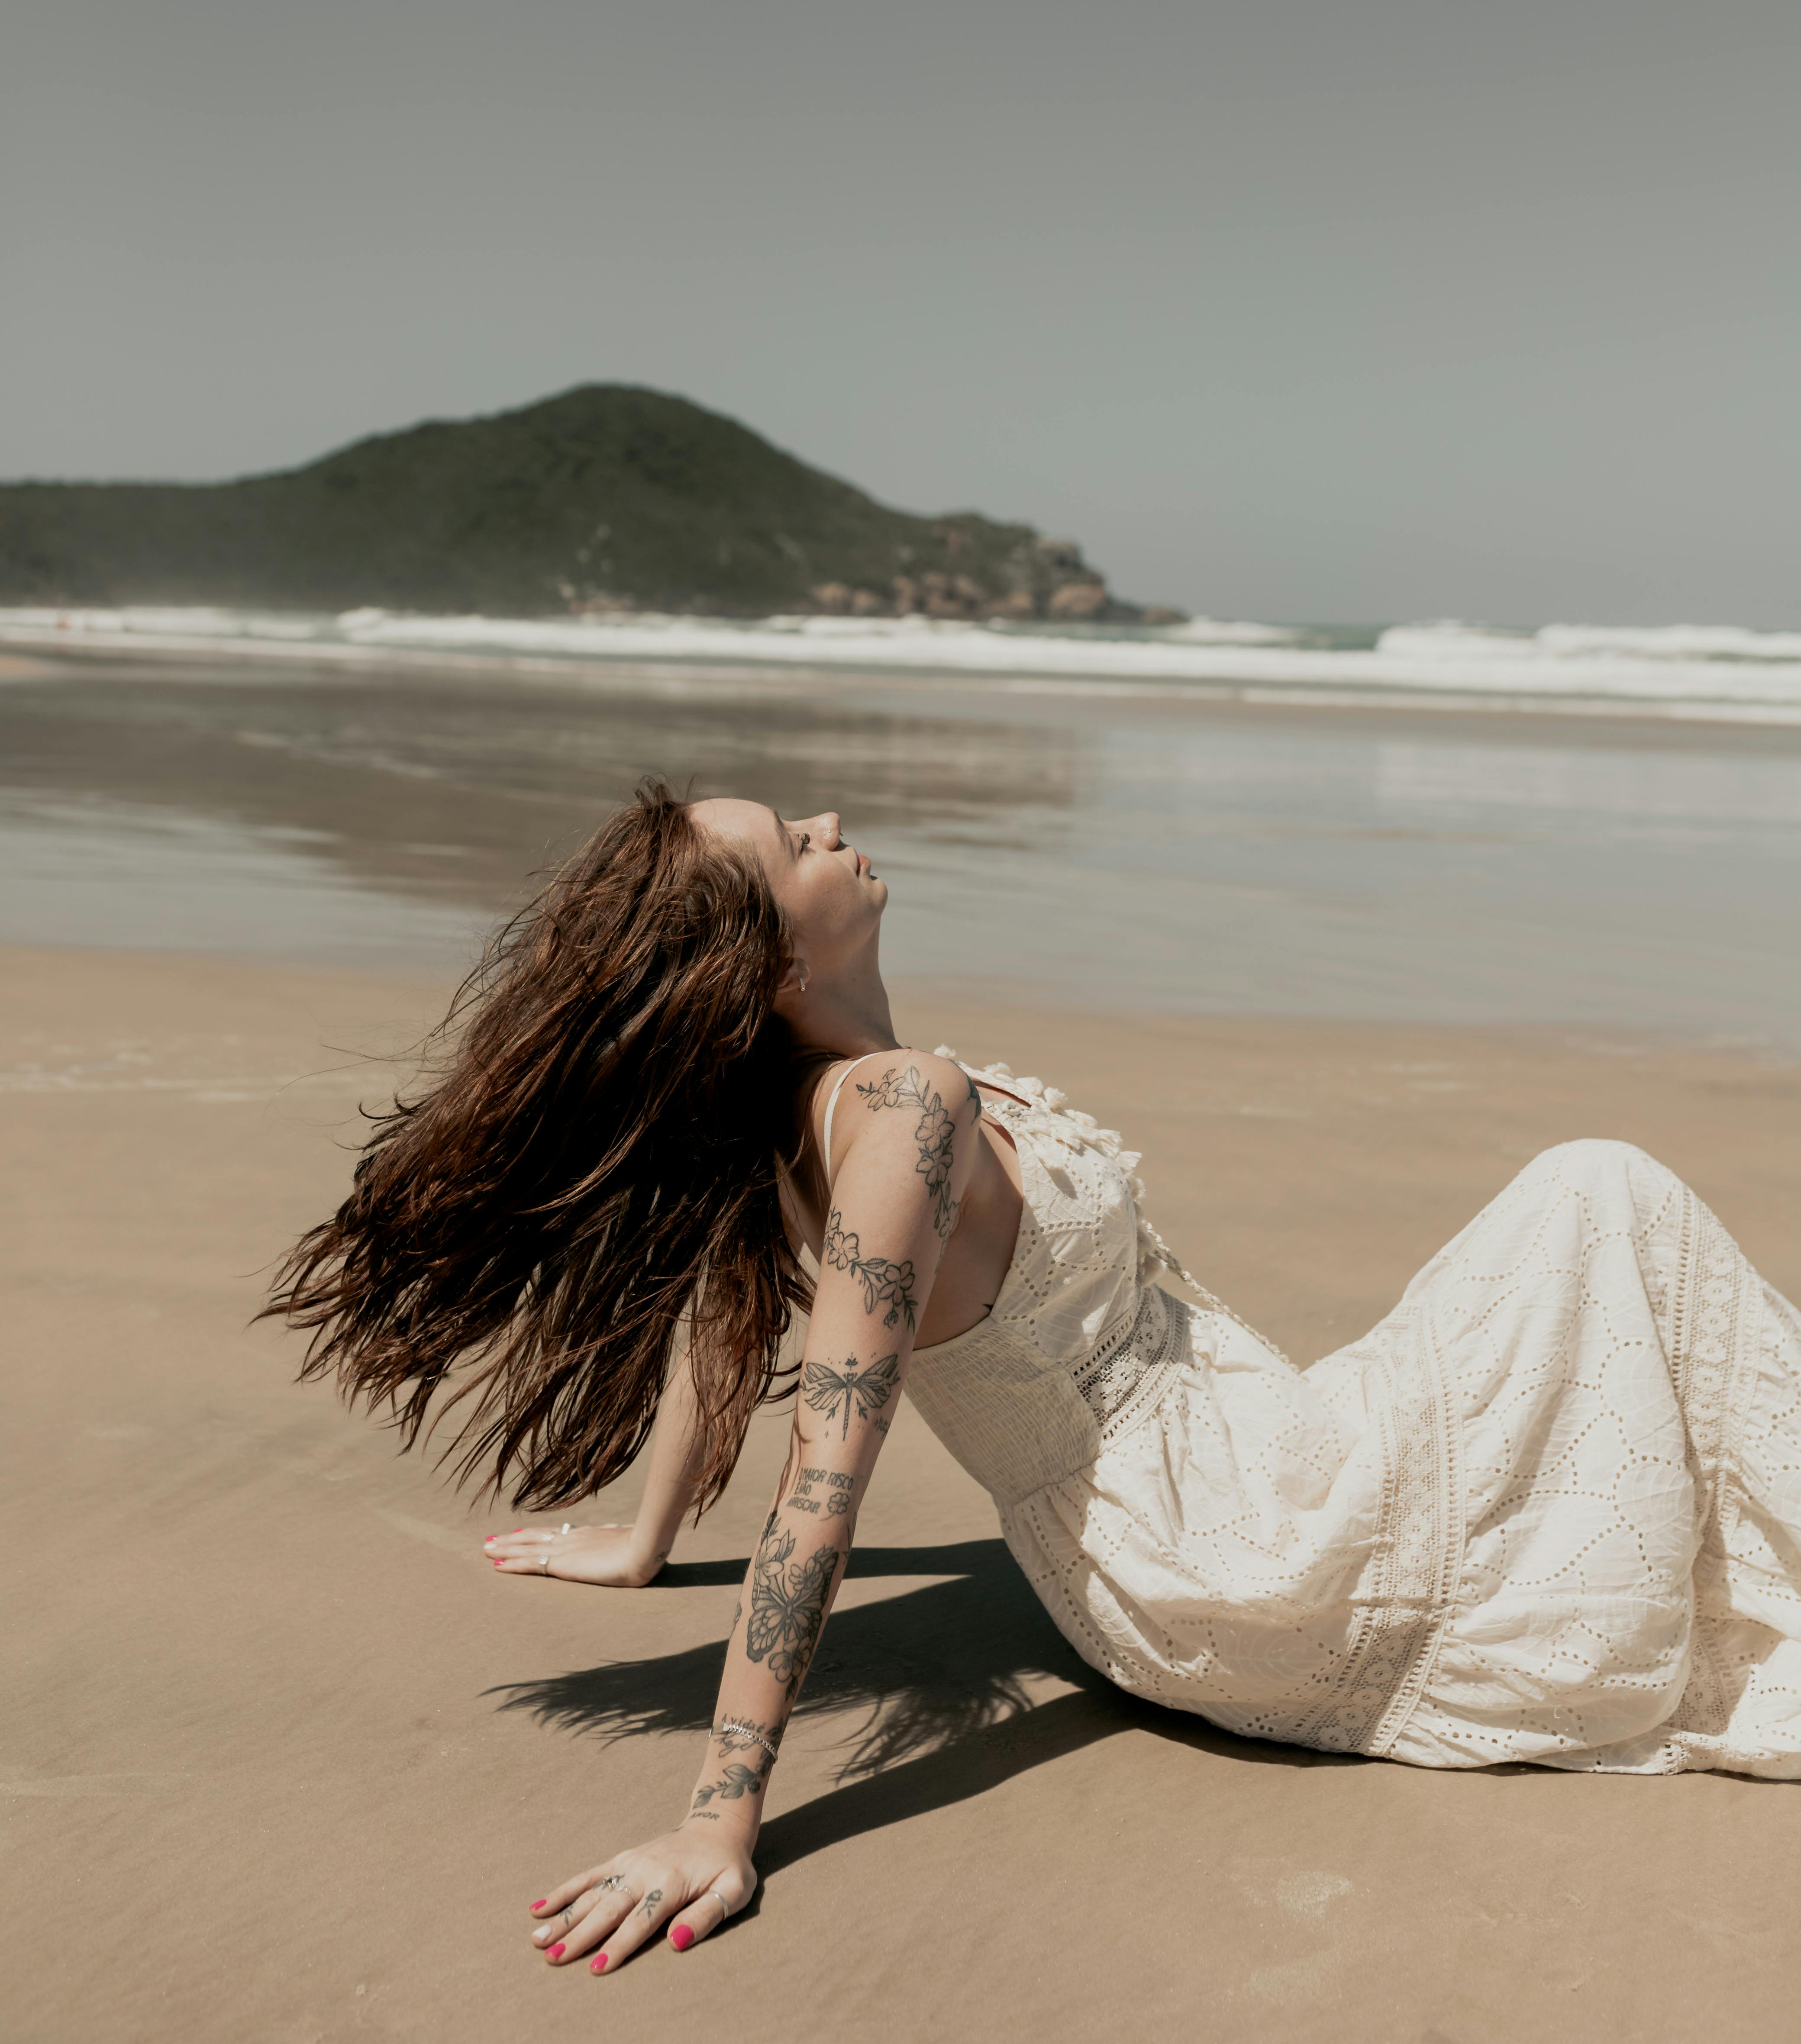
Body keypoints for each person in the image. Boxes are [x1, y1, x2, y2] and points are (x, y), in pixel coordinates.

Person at [266, 780, 1801, 1980]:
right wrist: (715, 1818)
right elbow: (828, 1474)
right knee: (1602, 1196)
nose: (832, 827)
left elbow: (736, 1321)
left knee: (1602, 1230)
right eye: (792, 842)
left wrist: (645, 1538)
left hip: (1245, 1460)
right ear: (774, 955)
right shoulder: (903, 1115)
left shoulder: (817, 1121)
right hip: (1228, 1549)